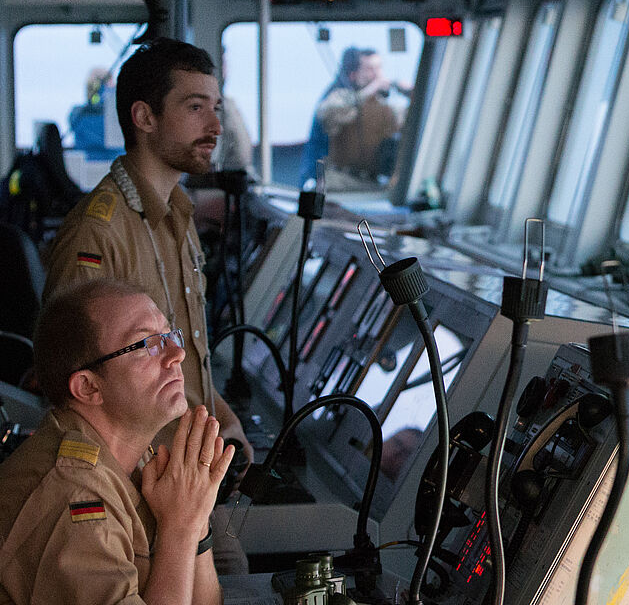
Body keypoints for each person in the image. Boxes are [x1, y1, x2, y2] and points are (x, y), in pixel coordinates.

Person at [43, 37, 251, 464]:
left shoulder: (180, 218)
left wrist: (227, 422)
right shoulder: (97, 234)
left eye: (216, 108)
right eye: (196, 108)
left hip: (189, 466)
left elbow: (189, 357)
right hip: (143, 477)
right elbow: (74, 393)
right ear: (144, 117)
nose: (215, 127)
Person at [0, 278, 233, 605]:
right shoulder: (73, 494)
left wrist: (194, 524)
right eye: (146, 344)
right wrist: (179, 530)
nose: (177, 354)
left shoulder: (136, 459)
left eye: (168, 335)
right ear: (88, 387)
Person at [300, 47, 408, 189]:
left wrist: (411, 92)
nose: (376, 75)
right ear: (354, 73)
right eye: (369, 69)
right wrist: (369, 91)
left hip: (371, 182)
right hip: (339, 181)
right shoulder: (339, 97)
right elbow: (327, 112)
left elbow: (407, 120)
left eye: (379, 68)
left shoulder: (383, 106)